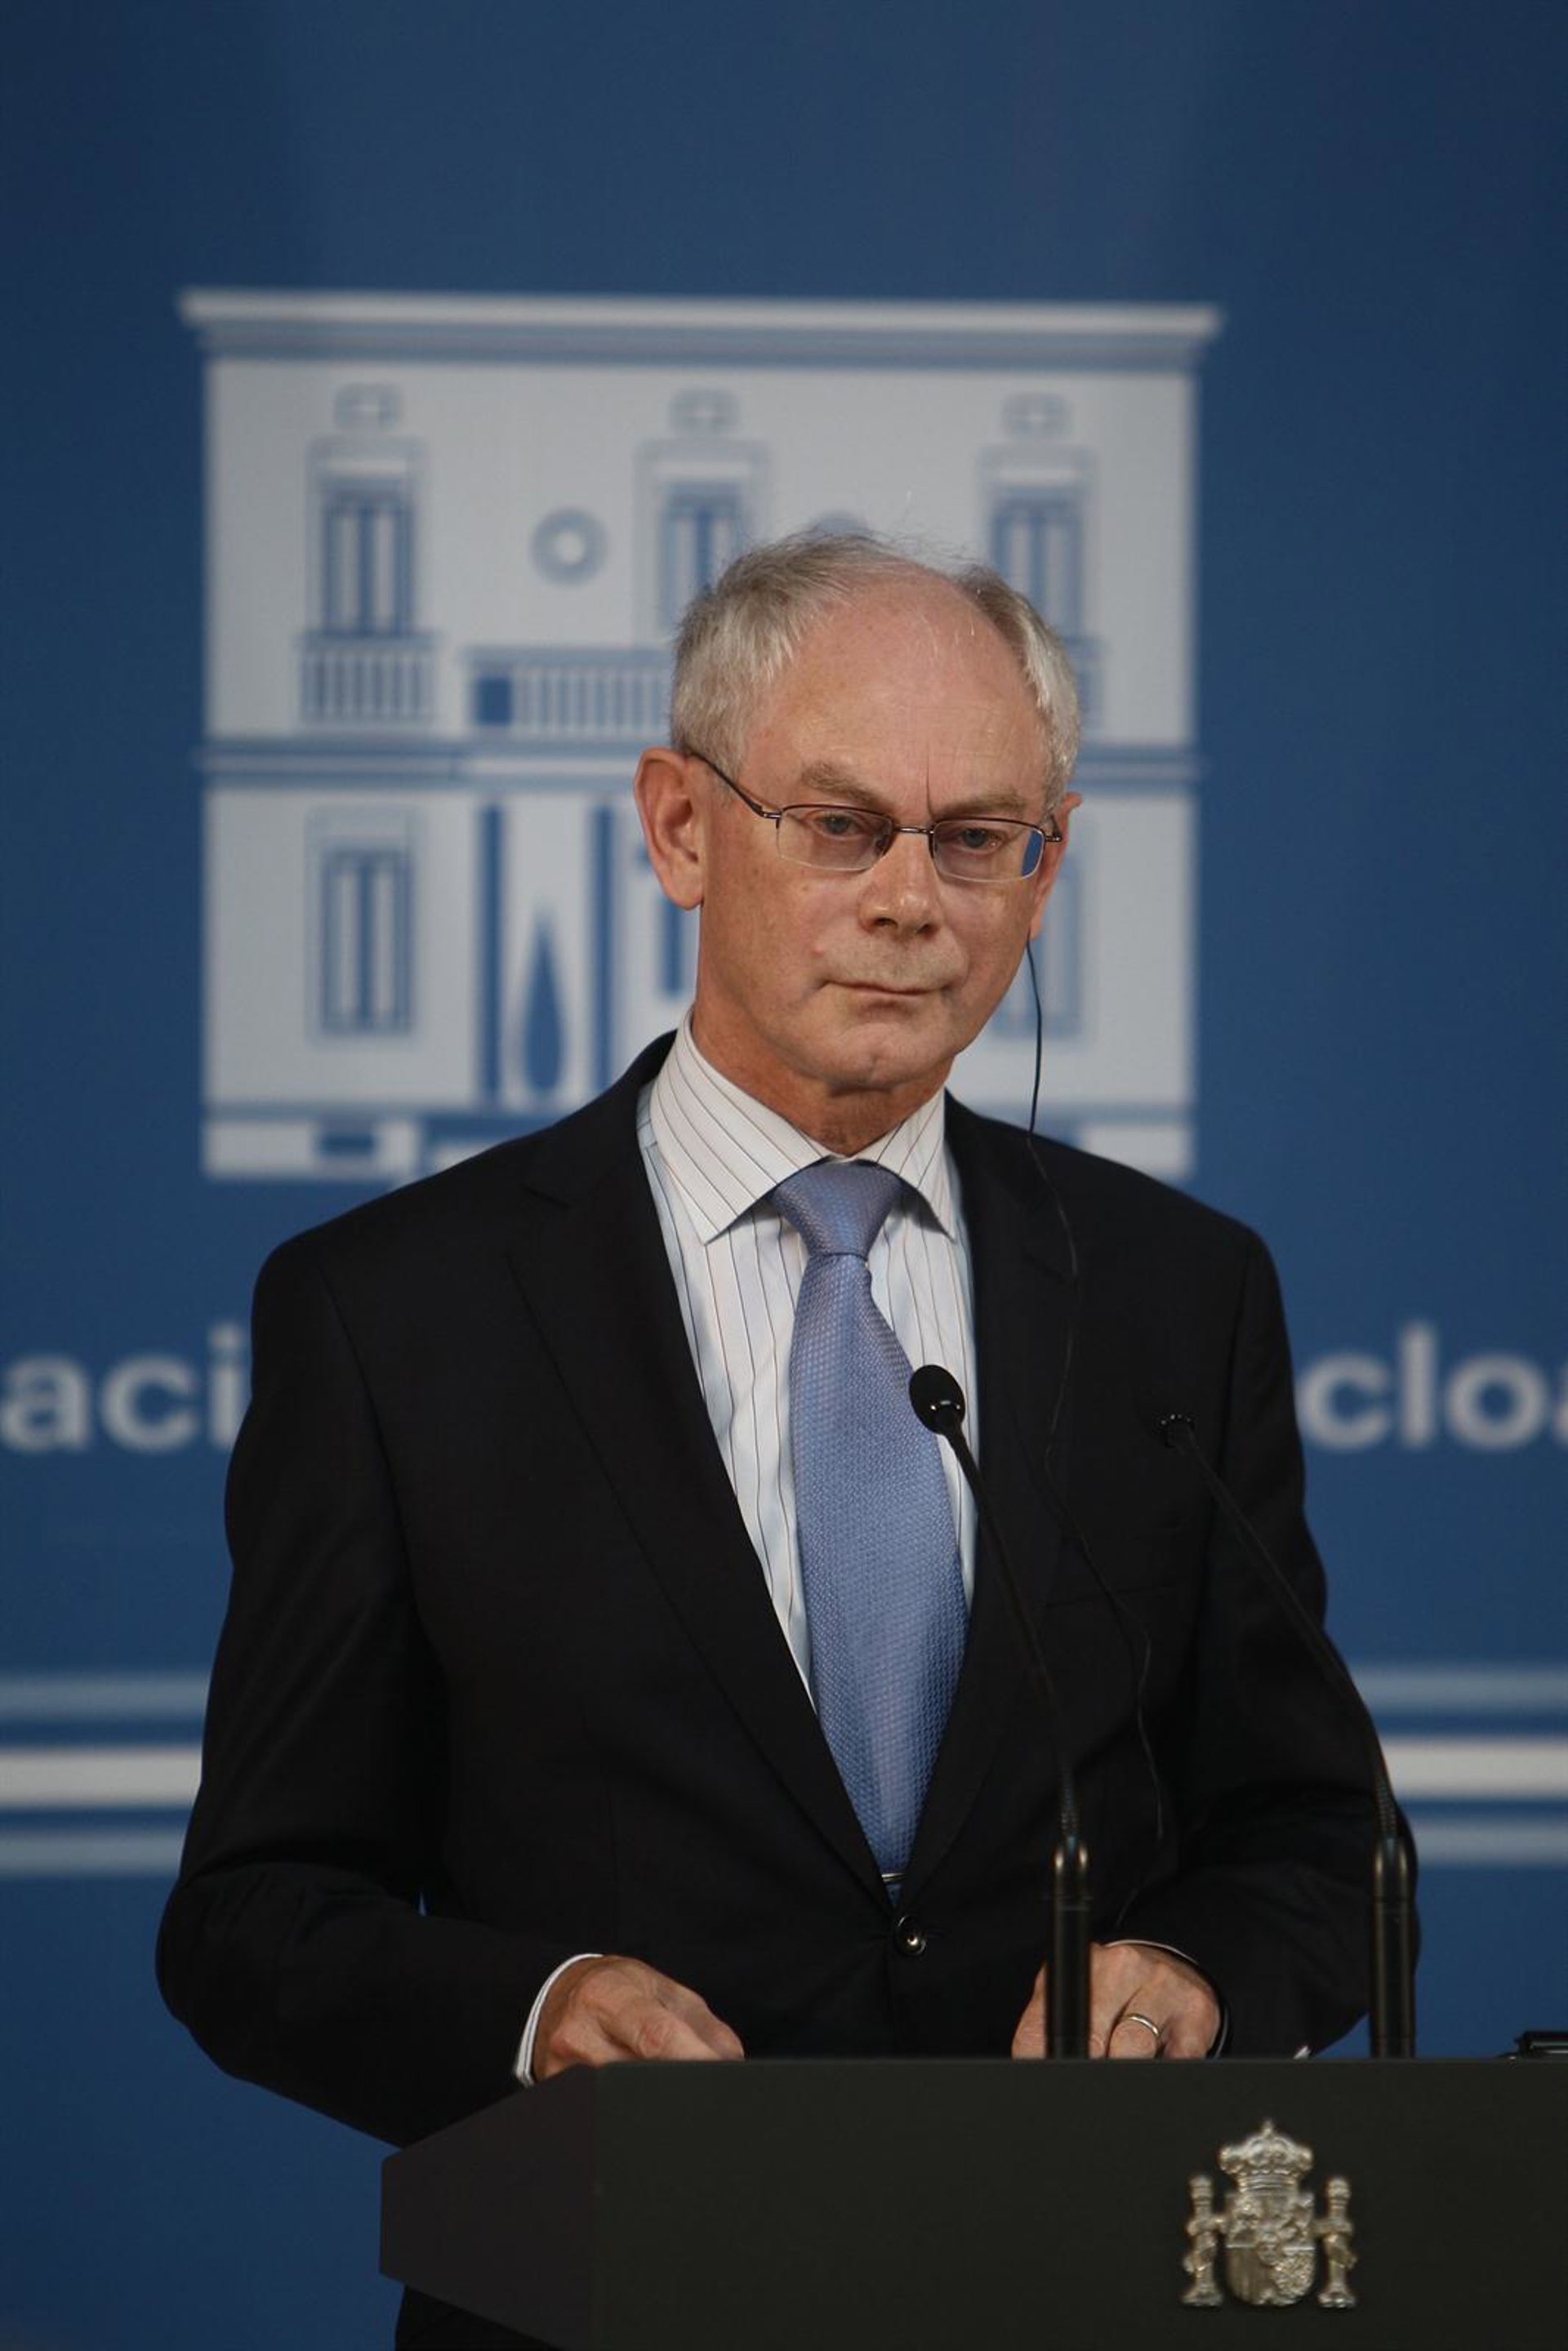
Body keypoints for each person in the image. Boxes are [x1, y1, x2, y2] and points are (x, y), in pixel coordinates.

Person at [158, 532, 1374, 2348]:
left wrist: (1197, 1973)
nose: (912, 900)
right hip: (611, 2297)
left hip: (1080, 2288)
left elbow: (1317, 1835)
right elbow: (255, 1917)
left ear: (1045, 872)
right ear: (680, 827)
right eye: (840, 824)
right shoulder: (395, 1314)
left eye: (977, 837)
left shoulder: (1173, 1295)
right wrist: (532, 2012)